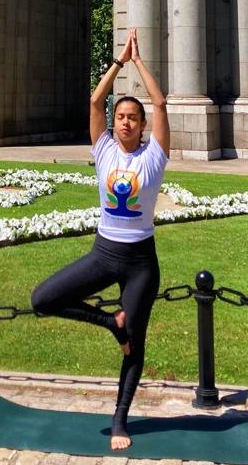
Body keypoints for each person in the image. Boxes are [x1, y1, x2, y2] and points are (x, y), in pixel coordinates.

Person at [31, 27, 170, 450]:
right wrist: (117, 62)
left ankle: (120, 419)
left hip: (141, 262)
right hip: (104, 253)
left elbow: (161, 102)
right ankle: (112, 322)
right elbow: (94, 102)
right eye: (120, 117)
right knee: (43, 299)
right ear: (114, 124)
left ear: (143, 125)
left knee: (135, 347)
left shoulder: (154, 156)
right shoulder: (105, 150)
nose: (126, 121)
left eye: (133, 117)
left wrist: (140, 62)